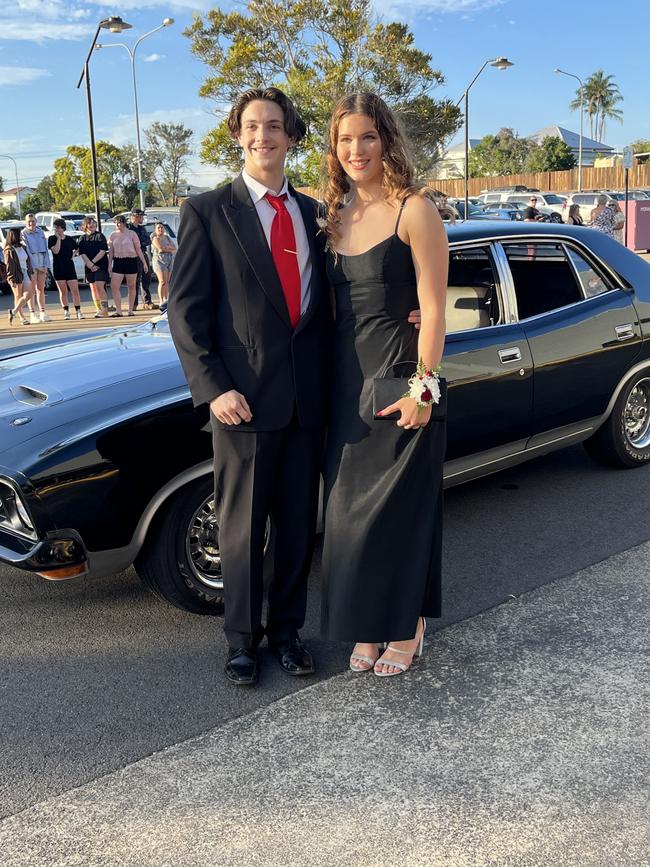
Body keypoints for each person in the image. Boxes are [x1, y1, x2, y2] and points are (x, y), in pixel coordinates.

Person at [168, 87, 332, 686]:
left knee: (295, 529)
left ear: (292, 136)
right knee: (241, 530)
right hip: (241, 404)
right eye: (253, 126)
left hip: (306, 403)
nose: (264, 136)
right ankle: (241, 639)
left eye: (275, 126)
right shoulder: (209, 211)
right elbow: (185, 312)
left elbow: (334, 305)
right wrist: (213, 388)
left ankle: (288, 633)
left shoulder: (316, 214)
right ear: (238, 136)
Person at [320, 92, 448, 677]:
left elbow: (434, 306)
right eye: (345, 139)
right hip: (344, 388)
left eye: (366, 136)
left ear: (386, 139)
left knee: (399, 515)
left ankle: (407, 627)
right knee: (349, 518)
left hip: (398, 380)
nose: (355, 150)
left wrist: (424, 387)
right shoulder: (334, 213)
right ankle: (366, 625)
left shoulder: (413, 210)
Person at [107, 215, 148, 316]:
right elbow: (111, 251)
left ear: (124, 223)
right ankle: (119, 310)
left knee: (131, 286)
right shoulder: (113, 235)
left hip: (131, 260)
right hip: (118, 261)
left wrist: (144, 263)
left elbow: (138, 249)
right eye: (116, 222)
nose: (118, 224)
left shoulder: (131, 234)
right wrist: (109, 265)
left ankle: (130, 309)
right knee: (114, 286)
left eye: (119, 222)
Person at [47, 218, 83, 320]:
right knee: (63, 291)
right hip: (58, 267)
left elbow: (78, 248)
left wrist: (73, 254)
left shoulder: (69, 239)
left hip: (69, 266)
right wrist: (58, 238)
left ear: (63, 228)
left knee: (75, 290)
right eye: (55, 228)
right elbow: (56, 251)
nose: (57, 230)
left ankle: (78, 310)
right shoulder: (51, 239)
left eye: (58, 228)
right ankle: (66, 311)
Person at [78, 216, 109, 318]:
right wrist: (90, 264)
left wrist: (93, 263)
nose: (92, 225)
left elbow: (103, 251)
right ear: (85, 225)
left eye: (93, 223)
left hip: (100, 265)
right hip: (89, 266)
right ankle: (98, 308)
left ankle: (104, 310)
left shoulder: (100, 236)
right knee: (93, 288)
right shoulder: (82, 238)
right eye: (89, 223)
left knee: (100, 286)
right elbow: (82, 253)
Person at [21, 214, 50, 322]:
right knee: (31, 290)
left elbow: (46, 250)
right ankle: (32, 313)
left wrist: (46, 265)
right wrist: (37, 267)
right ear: (25, 222)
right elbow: (27, 251)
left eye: (33, 221)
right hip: (32, 265)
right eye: (29, 221)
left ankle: (43, 312)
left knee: (40, 289)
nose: (31, 223)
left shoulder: (41, 232)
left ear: (36, 221)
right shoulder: (23, 233)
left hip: (42, 262)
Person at [3, 227, 35, 326]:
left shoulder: (23, 247)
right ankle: (22, 317)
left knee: (29, 293)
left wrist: (31, 271)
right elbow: (8, 265)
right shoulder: (8, 250)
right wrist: (11, 278)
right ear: (14, 236)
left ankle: (13, 312)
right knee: (18, 295)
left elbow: (27, 260)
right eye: (19, 234)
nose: (21, 235)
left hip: (25, 272)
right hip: (15, 274)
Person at [129, 208, 153, 309]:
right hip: (133, 256)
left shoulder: (141, 228)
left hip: (143, 253)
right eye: (141, 216)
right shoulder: (128, 228)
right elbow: (131, 243)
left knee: (146, 277)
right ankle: (134, 303)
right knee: (135, 280)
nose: (142, 218)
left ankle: (147, 302)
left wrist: (139, 243)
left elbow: (148, 240)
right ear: (135, 217)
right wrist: (138, 243)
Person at [151, 222, 176, 305]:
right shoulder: (155, 238)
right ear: (155, 229)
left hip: (168, 259)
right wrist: (168, 248)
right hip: (159, 260)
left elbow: (174, 247)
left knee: (167, 281)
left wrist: (168, 248)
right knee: (162, 281)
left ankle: (166, 298)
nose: (160, 229)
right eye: (158, 228)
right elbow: (160, 249)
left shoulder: (167, 237)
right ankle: (161, 300)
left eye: (161, 227)